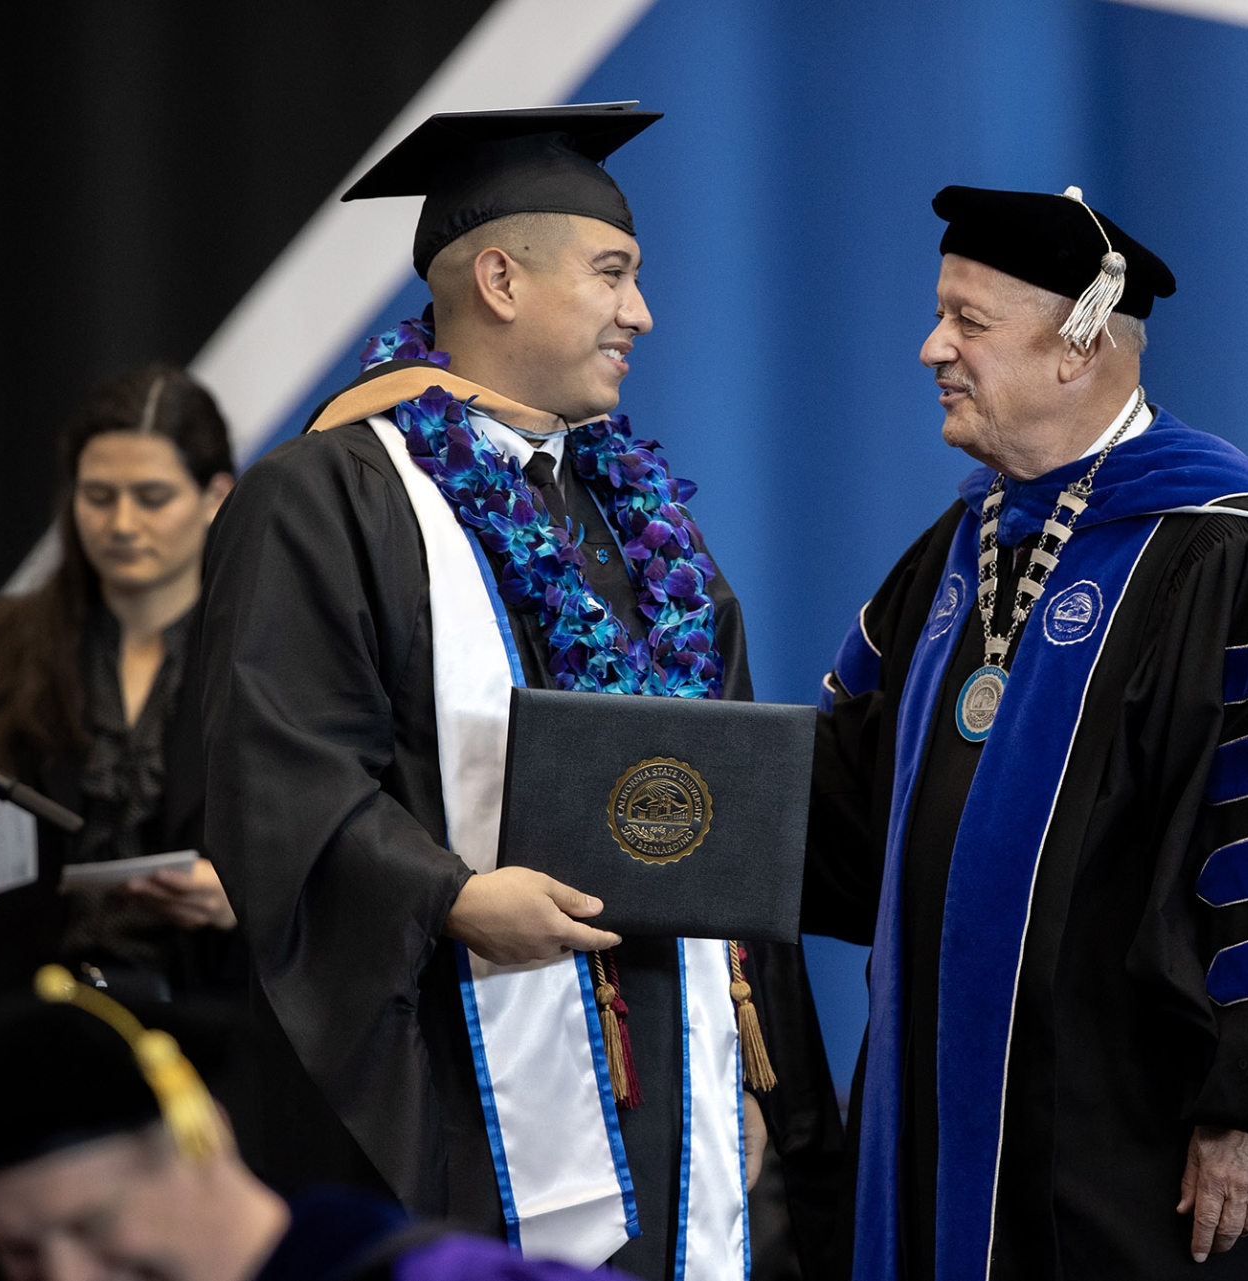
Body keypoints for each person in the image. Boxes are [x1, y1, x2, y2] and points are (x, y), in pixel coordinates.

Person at [197, 105, 833, 1279]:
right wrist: (451, 896)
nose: (639, 312)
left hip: (671, 1080)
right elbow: (274, 770)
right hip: (452, 1068)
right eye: (613, 274)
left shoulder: (642, 525)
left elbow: (718, 799)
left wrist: (750, 1067)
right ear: (498, 278)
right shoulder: (326, 498)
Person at [803, 184, 1248, 1279]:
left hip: (1148, 1135)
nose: (932, 346)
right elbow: (840, 804)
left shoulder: (1242, 554)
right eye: (942, 314)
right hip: (939, 1122)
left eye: (969, 323)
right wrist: (661, 811)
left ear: (1080, 348)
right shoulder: (955, 553)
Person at [0, 363, 241, 1009]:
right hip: (14, 1025)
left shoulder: (271, 657)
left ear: (216, 496)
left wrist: (244, 902)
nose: (121, 523)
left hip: (218, 1025)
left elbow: (337, 856)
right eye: (98, 496)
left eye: (152, 497)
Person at [0, 966, 621, 1281]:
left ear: (202, 1137)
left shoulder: (429, 1275)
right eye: (20, 1253)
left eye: (93, 1222)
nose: (66, 1277)